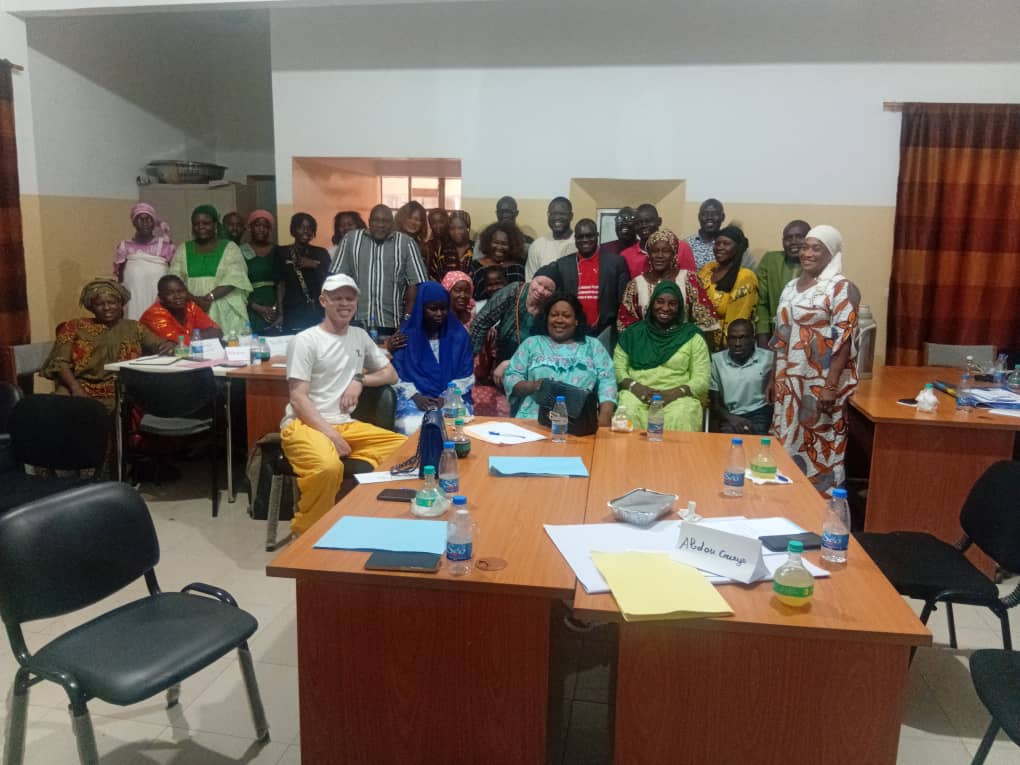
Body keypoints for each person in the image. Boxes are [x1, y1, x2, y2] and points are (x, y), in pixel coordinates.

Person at [280, 273, 406, 535]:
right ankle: (308, 533)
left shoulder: (359, 336)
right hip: (305, 424)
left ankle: (372, 518)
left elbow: (391, 374)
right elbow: (298, 398)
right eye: (337, 298)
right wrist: (331, 435)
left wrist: (359, 379)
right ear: (323, 301)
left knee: (407, 450)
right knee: (328, 467)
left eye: (349, 298)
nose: (344, 304)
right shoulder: (305, 340)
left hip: (346, 424)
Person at [771, 225, 860, 496]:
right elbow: (781, 335)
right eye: (805, 247)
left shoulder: (841, 288)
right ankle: (787, 501)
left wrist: (830, 386)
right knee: (787, 441)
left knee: (819, 446)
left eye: (815, 248)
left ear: (831, 253)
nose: (807, 253)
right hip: (789, 381)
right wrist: (774, 378)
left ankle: (821, 506)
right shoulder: (790, 287)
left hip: (820, 383)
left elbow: (844, 339)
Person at [42, 279, 174, 409]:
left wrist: (169, 344)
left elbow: (158, 344)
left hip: (120, 389)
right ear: (91, 307)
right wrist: (76, 389)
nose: (106, 308)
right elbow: (60, 362)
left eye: (112, 302)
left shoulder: (134, 327)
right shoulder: (74, 327)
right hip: (79, 386)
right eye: (99, 304)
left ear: (120, 303)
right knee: (58, 408)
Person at [504, 294, 616, 424]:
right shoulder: (532, 343)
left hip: (579, 422)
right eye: (554, 315)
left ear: (576, 320)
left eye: (566, 316)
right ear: (547, 318)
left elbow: (607, 381)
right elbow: (511, 377)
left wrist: (604, 418)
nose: (559, 320)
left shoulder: (592, 346)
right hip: (533, 419)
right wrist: (533, 386)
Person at [614, 281, 710, 432]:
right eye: (660, 302)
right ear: (652, 304)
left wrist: (674, 393)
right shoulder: (632, 334)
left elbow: (702, 379)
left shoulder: (692, 336)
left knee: (683, 413)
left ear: (680, 307)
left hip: (679, 397)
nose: (665, 308)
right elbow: (618, 369)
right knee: (627, 408)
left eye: (672, 304)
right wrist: (636, 387)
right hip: (637, 394)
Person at [468, 267, 558, 416]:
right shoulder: (513, 291)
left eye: (548, 289)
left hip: (533, 367)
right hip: (501, 359)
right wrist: (472, 358)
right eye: (539, 283)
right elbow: (481, 321)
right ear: (531, 280)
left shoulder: (552, 309)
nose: (541, 291)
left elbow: (549, 347)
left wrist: (510, 363)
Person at [330, 204, 428, 336]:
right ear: (369, 222)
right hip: (355, 322)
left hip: (392, 325)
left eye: (385, 221)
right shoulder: (350, 240)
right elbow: (337, 280)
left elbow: (415, 285)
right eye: (376, 220)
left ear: (392, 223)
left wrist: (406, 322)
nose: (381, 225)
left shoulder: (406, 243)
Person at [391, 282, 475, 435]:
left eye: (443, 308)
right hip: (414, 398)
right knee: (412, 427)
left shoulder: (458, 335)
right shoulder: (406, 336)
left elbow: (466, 374)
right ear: (421, 308)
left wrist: (447, 397)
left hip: (452, 398)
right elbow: (396, 374)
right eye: (433, 309)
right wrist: (415, 396)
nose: (439, 314)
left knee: (456, 427)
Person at [168, 205, 252, 337]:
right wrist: (196, 301)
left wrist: (209, 298)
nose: (201, 227)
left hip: (225, 308)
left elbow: (235, 278)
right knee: (197, 346)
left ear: (215, 225)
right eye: (196, 224)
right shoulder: (183, 249)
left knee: (229, 344)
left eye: (206, 223)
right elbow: (174, 280)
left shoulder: (230, 247)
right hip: (192, 308)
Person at [617, 228, 717, 335]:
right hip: (646, 343)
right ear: (649, 254)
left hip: (684, 342)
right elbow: (626, 325)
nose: (659, 256)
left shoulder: (689, 279)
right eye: (655, 251)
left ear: (674, 254)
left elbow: (705, 322)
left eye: (666, 251)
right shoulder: (636, 285)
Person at [545, 219, 629, 342]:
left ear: (597, 236)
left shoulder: (616, 263)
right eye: (580, 237)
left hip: (606, 331)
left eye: (589, 236)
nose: (584, 240)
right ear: (575, 239)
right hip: (572, 331)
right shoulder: (563, 265)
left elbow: (623, 301)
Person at [698, 224, 759, 349]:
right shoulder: (708, 270)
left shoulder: (744, 277)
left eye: (726, 244)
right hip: (699, 339)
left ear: (737, 247)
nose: (719, 247)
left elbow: (738, 319)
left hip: (724, 346)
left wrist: (727, 349)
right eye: (717, 243)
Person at [709, 319, 774, 435]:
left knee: (757, 439)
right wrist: (731, 418)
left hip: (760, 413)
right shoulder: (716, 361)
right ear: (727, 340)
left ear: (753, 339)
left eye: (743, 338)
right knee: (729, 439)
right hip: (730, 414)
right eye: (733, 338)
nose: (737, 344)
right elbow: (715, 404)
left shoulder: (769, 359)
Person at [114, 203, 175, 321]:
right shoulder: (125, 247)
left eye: (148, 219)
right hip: (133, 299)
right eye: (140, 219)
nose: (145, 222)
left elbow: (173, 274)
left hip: (158, 298)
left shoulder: (165, 245)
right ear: (134, 222)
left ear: (153, 222)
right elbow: (120, 277)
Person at [755, 219, 809, 348]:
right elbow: (761, 303)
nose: (793, 242)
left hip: (808, 337)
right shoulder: (771, 260)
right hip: (776, 335)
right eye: (788, 238)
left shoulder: (819, 265)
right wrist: (763, 342)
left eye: (799, 237)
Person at [274, 212, 331, 333]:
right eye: (301, 227)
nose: (306, 231)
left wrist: (315, 265)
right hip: (292, 310)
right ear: (293, 230)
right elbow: (280, 284)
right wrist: (280, 311)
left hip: (317, 310)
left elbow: (330, 280)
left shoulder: (321, 253)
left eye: (310, 228)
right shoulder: (282, 252)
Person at [140, 275, 223, 346]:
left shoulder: (190, 306)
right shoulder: (154, 315)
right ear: (160, 297)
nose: (177, 296)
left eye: (180, 291)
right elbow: (179, 343)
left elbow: (217, 331)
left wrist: (193, 338)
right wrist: (201, 336)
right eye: (170, 293)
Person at [620, 203, 696, 277]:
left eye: (648, 221)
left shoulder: (681, 248)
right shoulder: (626, 256)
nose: (643, 225)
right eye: (638, 223)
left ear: (659, 221)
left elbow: (690, 280)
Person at [243, 209, 279, 332]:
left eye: (266, 226)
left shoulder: (277, 251)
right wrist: (255, 307)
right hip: (251, 304)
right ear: (250, 227)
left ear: (270, 230)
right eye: (257, 225)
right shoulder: (240, 251)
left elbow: (283, 282)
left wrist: (276, 307)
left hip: (275, 303)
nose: (261, 229)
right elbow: (237, 285)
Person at [472, 220, 526, 299]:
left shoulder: (519, 267)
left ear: (512, 245)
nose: (499, 247)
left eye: (504, 244)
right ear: (488, 242)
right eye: (496, 242)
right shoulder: (475, 267)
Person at [525, 197, 576, 279]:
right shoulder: (537, 245)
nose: (557, 218)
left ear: (571, 216)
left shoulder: (580, 244)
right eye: (553, 214)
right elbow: (530, 281)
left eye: (562, 214)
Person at [427, 210, 474, 280]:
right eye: (452, 228)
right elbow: (433, 275)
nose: (456, 232)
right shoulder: (441, 250)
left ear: (467, 228)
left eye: (460, 228)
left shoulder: (476, 249)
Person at [685, 198, 726, 269]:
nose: (709, 217)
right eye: (705, 214)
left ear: (722, 217)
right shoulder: (686, 245)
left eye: (714, 214)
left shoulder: (728, 246)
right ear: (699, 217)